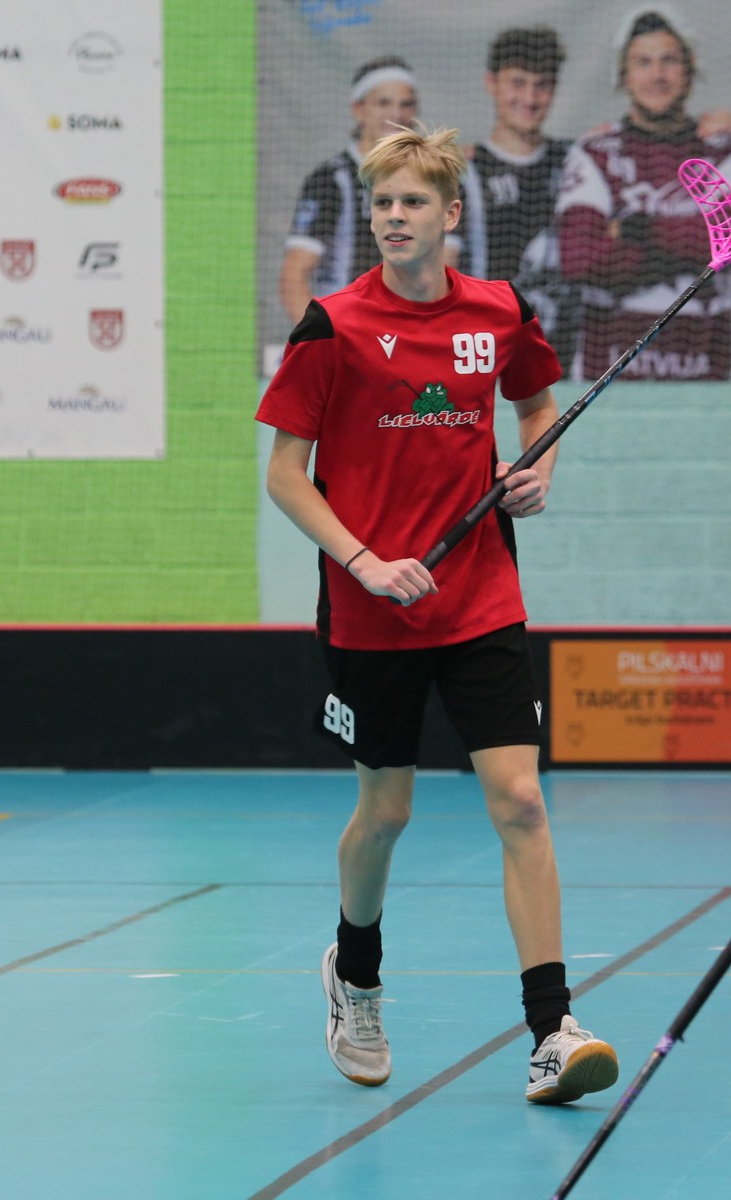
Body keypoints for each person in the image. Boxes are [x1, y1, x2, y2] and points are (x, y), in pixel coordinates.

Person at [256, 123, 619, 1106]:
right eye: (381, 203)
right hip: (372, 609)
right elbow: (285, 475)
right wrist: (364, 562)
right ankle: (356, 974)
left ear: (451, 213)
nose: (394, 217)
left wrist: (537, 467)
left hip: (481, 595)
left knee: (522, 801)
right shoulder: (331, 326)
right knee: (388, 812)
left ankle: (553, 1030)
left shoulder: (497, 312)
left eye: (412, 201)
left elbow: (538, 409)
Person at [556, 7, 731, 382]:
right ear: (624, 75)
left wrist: (635, 229)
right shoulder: (594, 152)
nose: (657, 75)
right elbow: (579, 259)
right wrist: (691, 243)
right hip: (610, 375)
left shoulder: (726, 147)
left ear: (689, 69)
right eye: (643, 62)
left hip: (710, 372)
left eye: (669, 61)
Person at [460, 25, 584, 370]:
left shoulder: (578, 160)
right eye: (517, 83)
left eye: (542, 85)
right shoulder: (464, 170)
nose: (529, 99)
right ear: (491, 83)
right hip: (491, 361)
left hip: (569, 362)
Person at [278, 55, 422, 326]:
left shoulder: (430, 179)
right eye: (384, 103)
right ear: (358, 109)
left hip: (410, 338)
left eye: (406, 104)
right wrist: (326, 341)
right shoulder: (332, 180)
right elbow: (293, 278)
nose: (397, 115)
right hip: (352, 338)